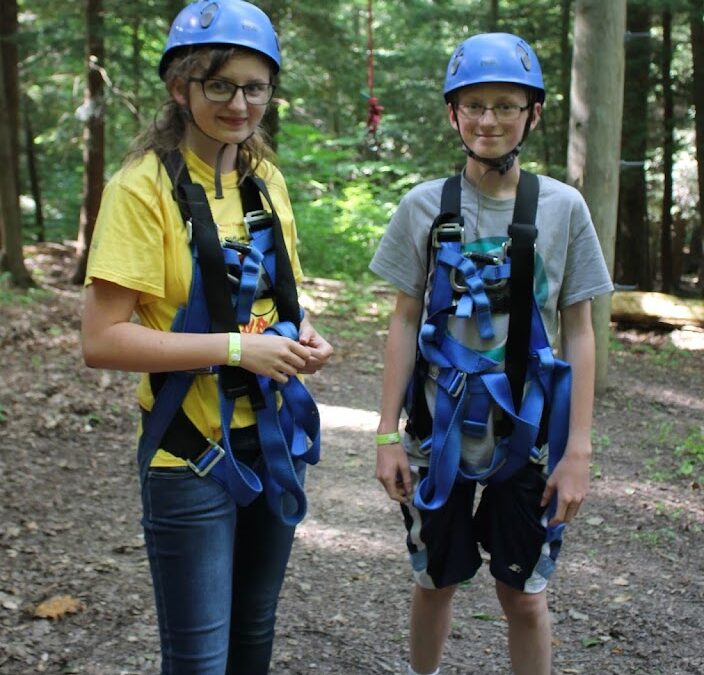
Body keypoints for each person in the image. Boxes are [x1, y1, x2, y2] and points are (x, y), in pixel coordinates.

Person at [80, 1, 333, 673]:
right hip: (188, 454)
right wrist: (234, 349)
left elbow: (279, 302)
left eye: (254, 86)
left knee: (254, 633)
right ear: (180, 87)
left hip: (273, 440)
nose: (238, 102)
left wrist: (303, 336)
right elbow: (102, 340)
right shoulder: (141, 190)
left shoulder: (264, 182)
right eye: (218, 85)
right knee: (198, 658)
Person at [369, 32, 613, 675]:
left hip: (528, 438)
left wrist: (577, 451)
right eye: (473, 105)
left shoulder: (563, 208)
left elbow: (580, 330)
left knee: (524, 595)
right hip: (437, 429)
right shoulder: (424, 206)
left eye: (506, 105)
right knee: (434, 583)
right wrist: (386, 435)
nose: (488, 120)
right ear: (453, 113)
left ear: (532, 113)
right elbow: (403, 321)